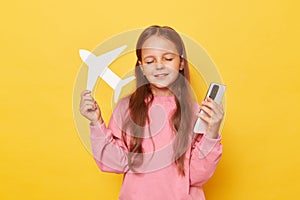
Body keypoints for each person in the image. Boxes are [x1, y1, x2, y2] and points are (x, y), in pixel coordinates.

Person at [80, 25, 224, 200]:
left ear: (181, 62)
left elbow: (197, 176)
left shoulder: (195, 112)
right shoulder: (127, 108)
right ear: (141, 67)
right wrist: (96, 123)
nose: (159, 66)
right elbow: (112, 163)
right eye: (150, 61)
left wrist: (211, 133)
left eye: (168, 58)